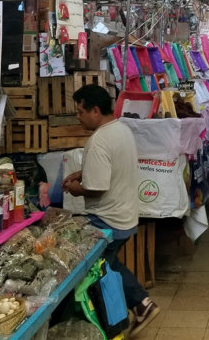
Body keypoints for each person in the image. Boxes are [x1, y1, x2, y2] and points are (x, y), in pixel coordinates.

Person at [62, 84, 159, 336]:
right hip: (126, 215)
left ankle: (118, 316)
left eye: (81, 111)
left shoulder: (99, 141)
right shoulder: (121, 129)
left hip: (108, 220)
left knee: (98, 267)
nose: (77, 117)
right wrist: (82, 172)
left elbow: (97, 188)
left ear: (95, 110)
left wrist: (76, 189)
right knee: (109, 263)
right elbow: (110, 166)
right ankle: (141, 305)